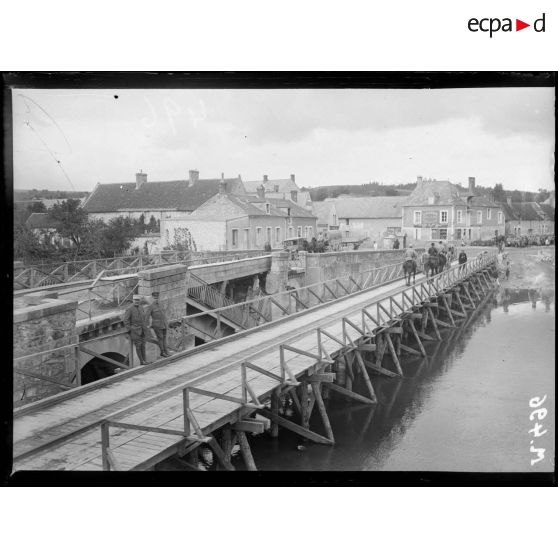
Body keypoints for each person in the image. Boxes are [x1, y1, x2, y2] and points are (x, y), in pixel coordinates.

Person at [124, 294, 163, 365]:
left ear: (139, 301)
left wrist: (146, 327)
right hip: (135, 331)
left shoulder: (141, 307)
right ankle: (141, 361)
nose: (137, 301)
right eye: (135, 300)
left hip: (142, 330)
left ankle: (144, 360)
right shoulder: (129, 309)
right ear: (133, 300)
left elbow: (144, 318)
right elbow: (126, 321)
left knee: (143, 345)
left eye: (138, 300)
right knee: (138, 346)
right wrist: (130, 330)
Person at [145, 291, 171, 358]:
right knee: (160, 338)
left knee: (164, 338)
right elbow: (147, 316)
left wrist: (166, 323)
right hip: (157, 325)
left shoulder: (161, 304)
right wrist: (147, 325)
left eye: (157, 298)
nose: (156, 299)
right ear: (152, 298)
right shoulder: (151, 306)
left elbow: (164, 314)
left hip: (164, 324)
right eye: (155, 298)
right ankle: (162, 352)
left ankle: (166, 351)